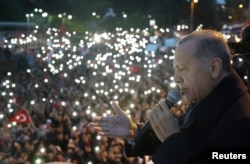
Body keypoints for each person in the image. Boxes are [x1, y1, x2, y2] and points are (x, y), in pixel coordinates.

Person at [88, 30, 250, 163]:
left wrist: (172, 140)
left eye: (183, 69)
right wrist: (135, 131)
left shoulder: (242, 124)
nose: (175, 78)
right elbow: (188, 140)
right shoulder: (209, 96)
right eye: (175, 69)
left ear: (214, 68)